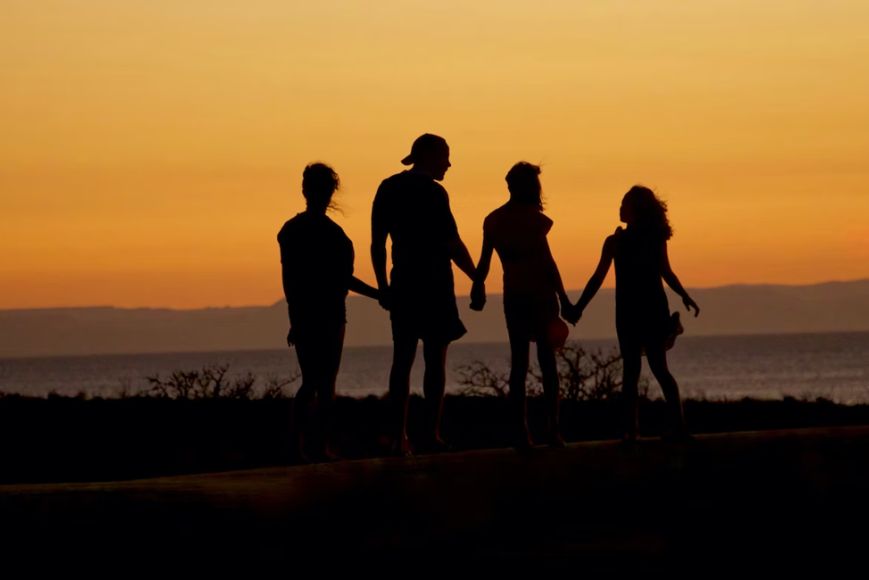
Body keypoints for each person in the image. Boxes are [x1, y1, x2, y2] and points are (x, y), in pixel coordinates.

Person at [371, 134, 476, 456]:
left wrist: (383, 288)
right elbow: (452, 243)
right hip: (434, 285)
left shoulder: (388, 187)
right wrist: (477, 277)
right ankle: (430, 435)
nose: (449, 163)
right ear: (431, 157)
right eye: (445, 156)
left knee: (401, 361)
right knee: (434, 362)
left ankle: (398, 437)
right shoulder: (434, 193)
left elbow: (378, 244)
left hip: (402, 283)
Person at [570, 185, 700, 442]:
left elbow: (665, 272)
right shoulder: (618, 242)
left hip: (643, 311)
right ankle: (642, 429)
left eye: (624, 204)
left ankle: (658, 429)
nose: (620, 208)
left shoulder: (633, 241)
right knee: (642, 371)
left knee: (646, 370)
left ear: (636, 210)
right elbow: (597, 279)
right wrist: (579, 307)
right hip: (635, 312)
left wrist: (684, 295)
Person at [278, 162, 378, 462]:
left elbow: (290, 280)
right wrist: (379, 294)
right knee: (323, 382)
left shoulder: (292, 230)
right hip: (329, 313)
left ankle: (303, 446)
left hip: (308, 313)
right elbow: (343, 279)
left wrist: (294, 318)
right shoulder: (333, 235)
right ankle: (317, 446)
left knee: (313, 380)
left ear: (305, 190)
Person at [471, 162, 571, 448]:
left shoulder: (494, 220)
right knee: (547, 364)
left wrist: (478, 288)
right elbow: (548, 264)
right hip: (539, 295)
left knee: (520, 364)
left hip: (514, 296)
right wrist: (564, 298)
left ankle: (522, 432)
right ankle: (552, 430)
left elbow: (484, 262)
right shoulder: (534, 220)